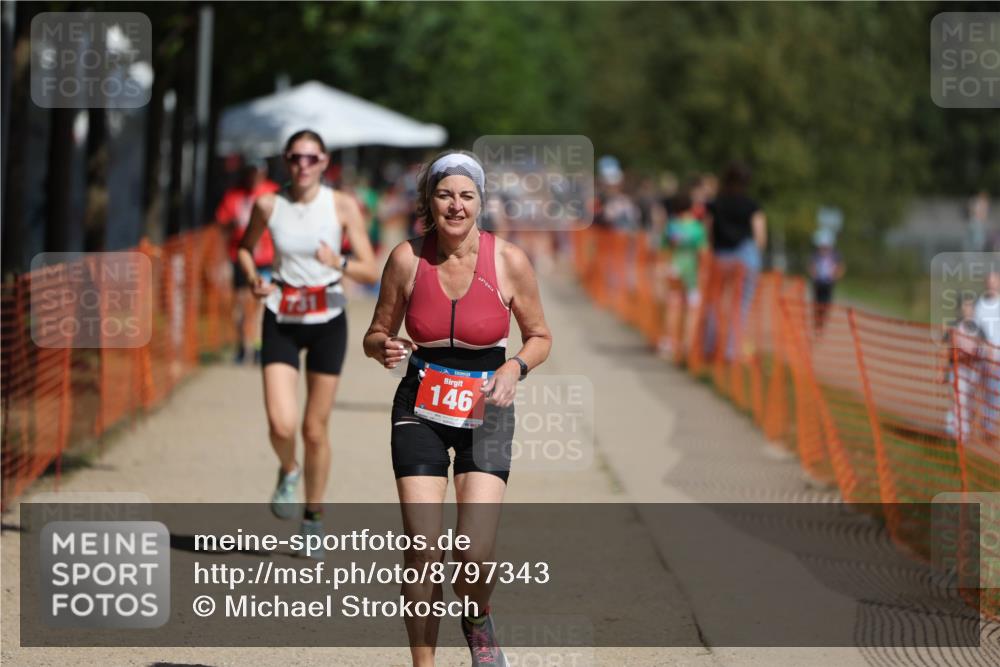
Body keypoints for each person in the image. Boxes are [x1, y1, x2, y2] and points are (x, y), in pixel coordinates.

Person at [363, 150, 552, 667]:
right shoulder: (406, 259)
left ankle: (477, 617)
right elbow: (375, 332)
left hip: (485, 409)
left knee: (472, 554)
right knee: (423, 549)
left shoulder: (508, 260)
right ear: (430, 201)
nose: (455, 205)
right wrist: (384, 346)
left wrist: (515, 367)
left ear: (480, 203)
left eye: (466, 196)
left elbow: (539, 336)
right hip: (419, 404)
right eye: (445, 194)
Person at [238, 129, 378, 554]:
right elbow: (245, 249)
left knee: (314, 429)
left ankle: (313, 517)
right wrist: (253, 281)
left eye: (311, 158)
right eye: (295, 158)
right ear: (286, 161)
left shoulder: (341, 205)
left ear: (324, 162)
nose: (303, 165)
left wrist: (338, 262)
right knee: (281, 423)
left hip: (327, 318)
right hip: (281, 315)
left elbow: (372, 269)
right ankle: (288, 469)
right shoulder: (268, 204)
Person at [215, 161, 280, 364]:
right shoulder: (234, 196)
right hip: (240, 257)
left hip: (266, 260)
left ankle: (260, 346)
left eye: (258, 172)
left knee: (262, 304)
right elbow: (221, 224)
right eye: (251, 172)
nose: (255, 176)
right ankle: (243, 346)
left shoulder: (272, 192)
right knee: (241, 305)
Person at [706, 161, 766, 359]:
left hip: (721, 256)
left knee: (714, 302)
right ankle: (731, 351)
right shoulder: (752, 205)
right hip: (745, 258)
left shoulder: (715, 204)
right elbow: (760, 237)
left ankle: (709, 346)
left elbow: (709, 233)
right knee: (741, 306)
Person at [942, 296, 986, 440]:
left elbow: (984, 349)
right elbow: (947, 349)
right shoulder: (954, 326)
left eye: (971, 306)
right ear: (961, 308)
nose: (968, 309)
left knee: (968, 401)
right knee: (959, 399)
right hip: (958, 368)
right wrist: (943, 371)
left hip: (973, 370)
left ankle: (957, 428)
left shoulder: (979, 329)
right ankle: (959, 433)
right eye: (966, 306)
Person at [973, 270, 1000, 436]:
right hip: (983, 355)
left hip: (998, 356)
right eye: (989, 281)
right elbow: (976, 330)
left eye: (994, 281)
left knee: (995, 391)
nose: (991, 284)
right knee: (982, 389)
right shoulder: (980, 305)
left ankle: (988, 426)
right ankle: (980, 422)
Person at [808, 229, 845, 333]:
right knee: (817, 303)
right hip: (818, 283)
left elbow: (840, 267)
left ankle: (822, 322)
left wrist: (836, 277)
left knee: (827, 304)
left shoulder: (836, 255)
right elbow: (811, 266)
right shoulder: (815, 255)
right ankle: (817, 322)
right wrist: (814, 275)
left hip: (829, 284)